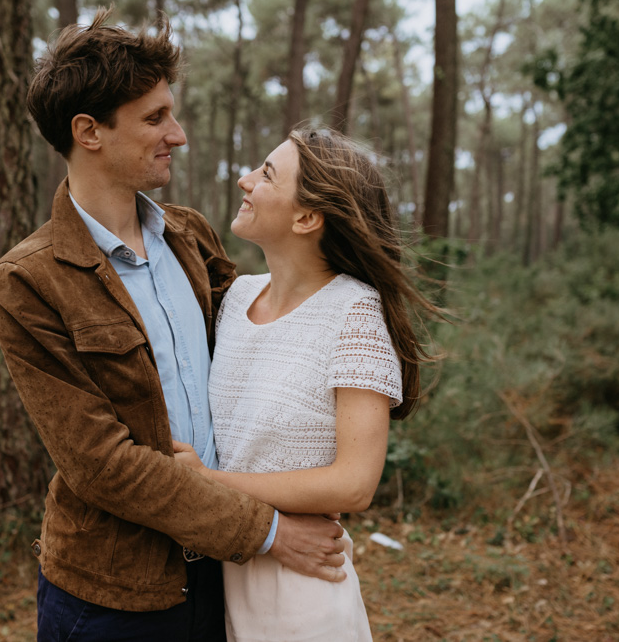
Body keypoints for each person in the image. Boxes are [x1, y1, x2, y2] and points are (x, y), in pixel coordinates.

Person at [0, 8, 347, 641]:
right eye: (155, 118)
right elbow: (102, 465)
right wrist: (268, 531)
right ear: (88, 131)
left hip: (225, 579)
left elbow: (266, 360)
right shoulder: (27, 283)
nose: (177, 135)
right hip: (115, 597)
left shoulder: (192, 238)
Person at [173, 128, 436, 641]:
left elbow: (354, 484)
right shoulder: (235, 298)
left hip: (301, 589)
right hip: (213, 582)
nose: (246, 181)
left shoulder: (354, 313)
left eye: (267, 174)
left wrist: (209, 482)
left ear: (306, 217)